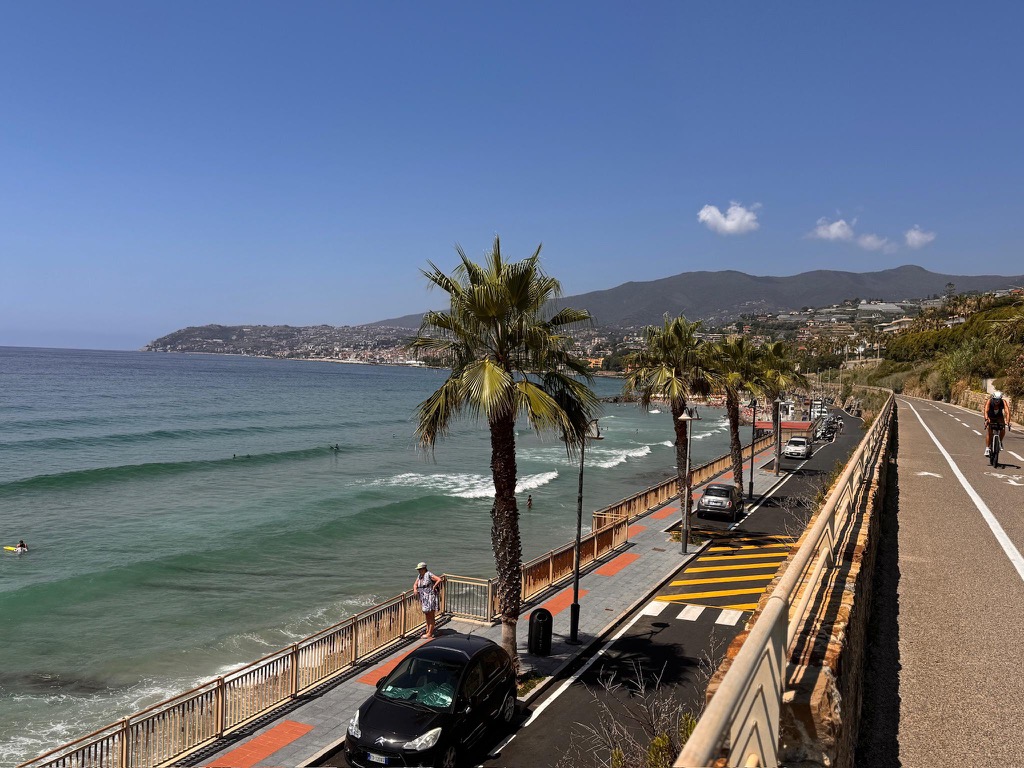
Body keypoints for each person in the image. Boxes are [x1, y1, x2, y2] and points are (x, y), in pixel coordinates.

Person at [413, 562, 442, 639]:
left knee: (431, 615)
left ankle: (430, 633)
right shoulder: (419, 576)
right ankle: (428, 630)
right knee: (427, 614)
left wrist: (434, 586)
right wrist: (415, 589)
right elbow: (415, 584)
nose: (418, 571)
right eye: (418, 569)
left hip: (430, 597)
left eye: (420, 569)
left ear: (424, 569)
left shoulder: (429, 574)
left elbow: (439, 579)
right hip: (424, 598)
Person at [984, 390, 1012, 457]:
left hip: (999, 417)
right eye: (995, 400)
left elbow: (1007, 412)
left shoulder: (1003, 402)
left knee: (1003, 429)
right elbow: (986, 411)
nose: (997, 401)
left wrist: (1008, 421)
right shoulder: (989, 401)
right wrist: (986, 419)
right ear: (993, 399)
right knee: (989, 432)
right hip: (990, 417)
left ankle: (1000, 441)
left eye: (998, 400)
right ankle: (987, 448)